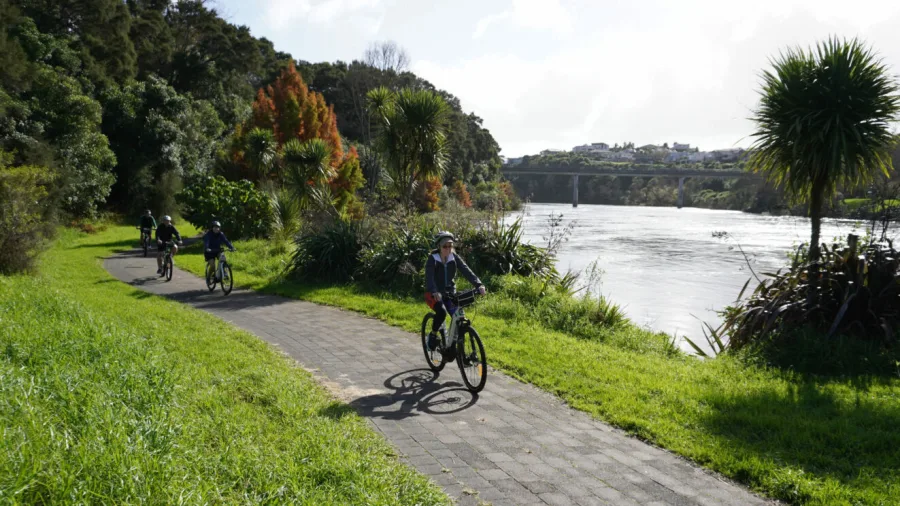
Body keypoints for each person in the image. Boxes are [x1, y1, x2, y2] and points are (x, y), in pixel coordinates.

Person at [424, 231, 486, 350]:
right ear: (439, 247)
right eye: (445, 246)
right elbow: (429, 278)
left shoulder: (454, 257)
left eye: (450, 246)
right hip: (433, 293)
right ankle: (432, 335)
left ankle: (455, 347)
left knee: (458, 317)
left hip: (450, 293)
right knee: (441, 312)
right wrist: (434, 291)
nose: (448, 249)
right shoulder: (433, 259)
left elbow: (466, 271)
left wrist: (479, 285)